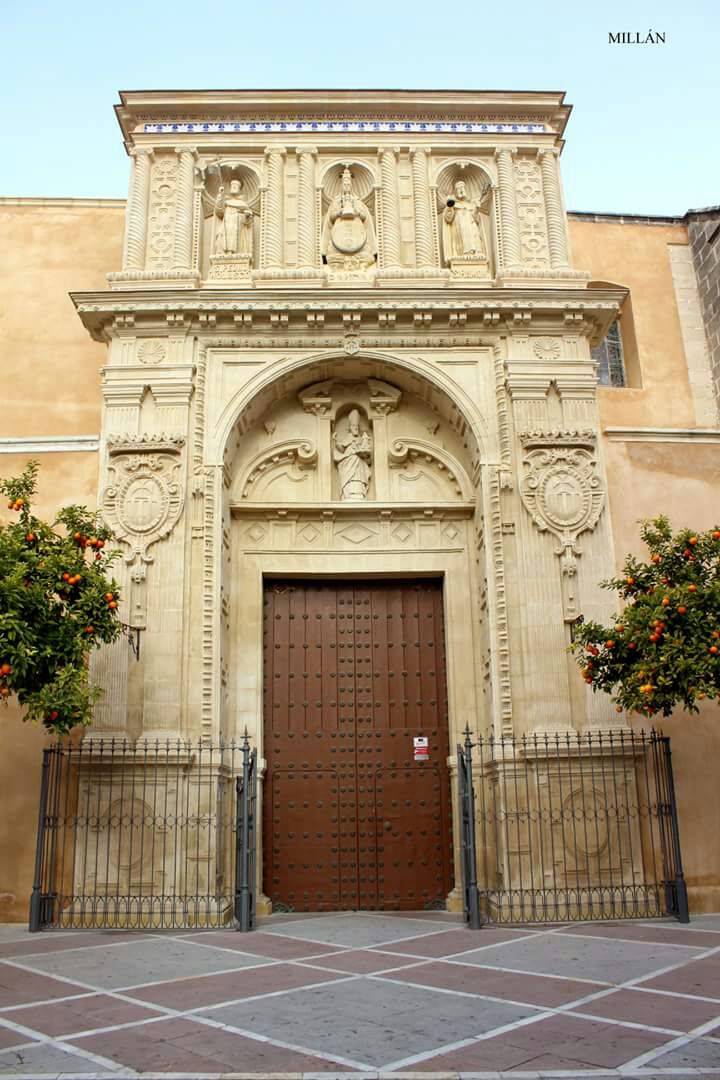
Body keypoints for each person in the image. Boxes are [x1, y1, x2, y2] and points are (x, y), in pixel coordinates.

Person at [442, 178, 491, 260]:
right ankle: (463, 254)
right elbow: (448, 218)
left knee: (475, 235)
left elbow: (476, 219)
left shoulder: (470, 204)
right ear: (455, 191)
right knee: (463, 238)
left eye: (462, 188)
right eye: (458, 188)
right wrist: (450, 207)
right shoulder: (453, 203)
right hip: (459, 225)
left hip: (471, 224)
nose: (461, 190)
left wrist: (477, 208)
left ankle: (477, 252)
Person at [333, 410, 372, 500]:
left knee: (359, 476)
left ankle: (359, 493)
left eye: (357, 427)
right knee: (349, 477)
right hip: (348, 461)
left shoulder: (361, 439)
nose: (356, 428)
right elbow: (341, 448)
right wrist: (335, 441)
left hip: (359, 463)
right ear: (350, 428)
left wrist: (362, 453)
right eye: (354, 427)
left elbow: (366, 450)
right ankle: (348, 493)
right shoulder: (348, 437)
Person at [213, 178, 254, 258]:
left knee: (235, 239)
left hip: (238, 227)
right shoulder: (225, 202)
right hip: (226, 225)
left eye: (236, 185)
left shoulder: (242, 204)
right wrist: (220, 196)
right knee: (223, 239)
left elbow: (248, 221)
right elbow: (219, 211)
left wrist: (247, 216)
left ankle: (234, 254)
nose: (234, 186)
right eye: (232, 185)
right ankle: (224, 254)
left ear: (239, 189)